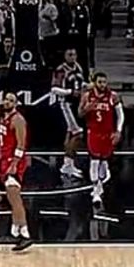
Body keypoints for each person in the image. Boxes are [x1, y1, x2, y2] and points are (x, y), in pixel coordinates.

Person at [80, 72, 124, 208]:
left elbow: (120, 115)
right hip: (93, 132)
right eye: (100, 82)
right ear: (94, 83)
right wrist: (87, 108)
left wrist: (118, 131)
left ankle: (100, 183)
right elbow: (80, 114)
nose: (102, 85)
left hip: (107, 133)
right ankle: (96, 191)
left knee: (103, 163)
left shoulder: (113, 96)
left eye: (104, 82)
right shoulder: (87, 96)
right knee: (94, 160)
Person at [0, 92, 32, 252]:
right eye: (6, 99)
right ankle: (14, 232)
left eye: (11, 100)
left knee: (15, 199)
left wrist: (14, 164)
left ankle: (25, 234)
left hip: (14, 162)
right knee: (11, 199)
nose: (7, 102)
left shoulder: (18, 120)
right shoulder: (3, 118)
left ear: (16, 103)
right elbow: (1, 144)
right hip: (4, 160)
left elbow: (21, 145)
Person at [53, 48, 86, 178]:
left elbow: (80, 83)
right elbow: (54, 88)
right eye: (70, 54)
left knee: (70, 133)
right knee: (78, 134)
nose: (72, 57)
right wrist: (70, 92)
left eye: (74, 54)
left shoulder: (78, 67)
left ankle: (67, 164)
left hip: (76, 104)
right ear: (65, 56)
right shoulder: (61, 70)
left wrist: (87, 86)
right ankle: (68, 165)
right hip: (66, 104)